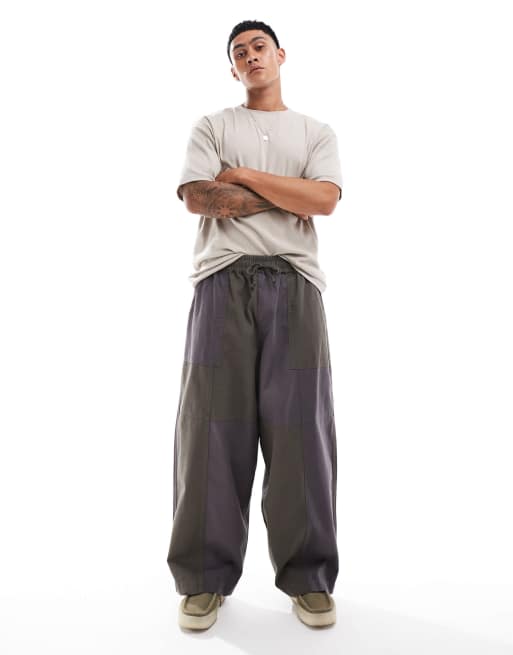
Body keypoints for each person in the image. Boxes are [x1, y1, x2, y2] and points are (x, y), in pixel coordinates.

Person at [167, 19, 343, 631]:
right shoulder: (213, 127)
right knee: (210, 428)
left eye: (258, 46)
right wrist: (294, 193)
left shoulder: (315, 131)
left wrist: (241, 175)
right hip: (222, 282)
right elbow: (198, 198)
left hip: (295, 285)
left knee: (302, 432)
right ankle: (203, 579)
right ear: (232, 68)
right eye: (239, 52)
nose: (250, 56)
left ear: (280, 54)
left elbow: (326, 200)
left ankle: (309, 578)